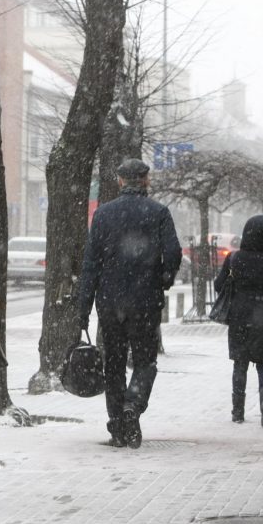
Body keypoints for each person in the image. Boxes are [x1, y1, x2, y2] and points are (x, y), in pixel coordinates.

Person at [77, 159, 182, 449]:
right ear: (146, 180)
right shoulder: (159, 213)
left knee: (114, 363)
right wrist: (163, 278)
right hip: (145, 301)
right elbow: (173, 252)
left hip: (110, 301)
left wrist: (84, 306)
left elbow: (91, 263)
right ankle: (133, 406)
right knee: (146, 360)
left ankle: (117, 426)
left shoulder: (103, 215)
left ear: (120, 181)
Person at [213, 214, 263, 427]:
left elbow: (218, 285)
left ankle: (237, 410)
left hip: (239, 316)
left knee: (240, 364)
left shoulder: (235, 258)